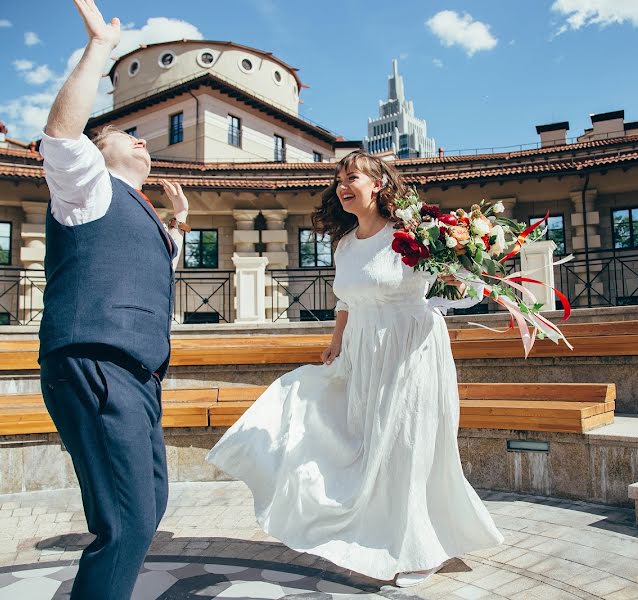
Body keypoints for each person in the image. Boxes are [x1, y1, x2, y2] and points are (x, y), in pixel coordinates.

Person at [207, 150, 504, 587]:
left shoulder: (413, 234)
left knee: (405, 444)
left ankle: (421, 547)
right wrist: (336, 341)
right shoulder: (345, 244)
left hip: (409, 348)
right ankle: (375, 533)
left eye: (352, 178)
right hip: (363, 352)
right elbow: (346, 299)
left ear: (378, 184)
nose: (343, 185)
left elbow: (464, 284)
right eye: (339, 179)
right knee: (360, 440)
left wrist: (457, 275)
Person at [37, 1, 190, 598]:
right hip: (96, 361)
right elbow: (61, 132)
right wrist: (98, 48)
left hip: (138, 375)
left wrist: (176, 222)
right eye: (130, 135)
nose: (144, 142)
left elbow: (152, 261)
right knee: (124, 521)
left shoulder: (139, 213)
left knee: (148, 508)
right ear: (100, 150)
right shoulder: (86, 187)